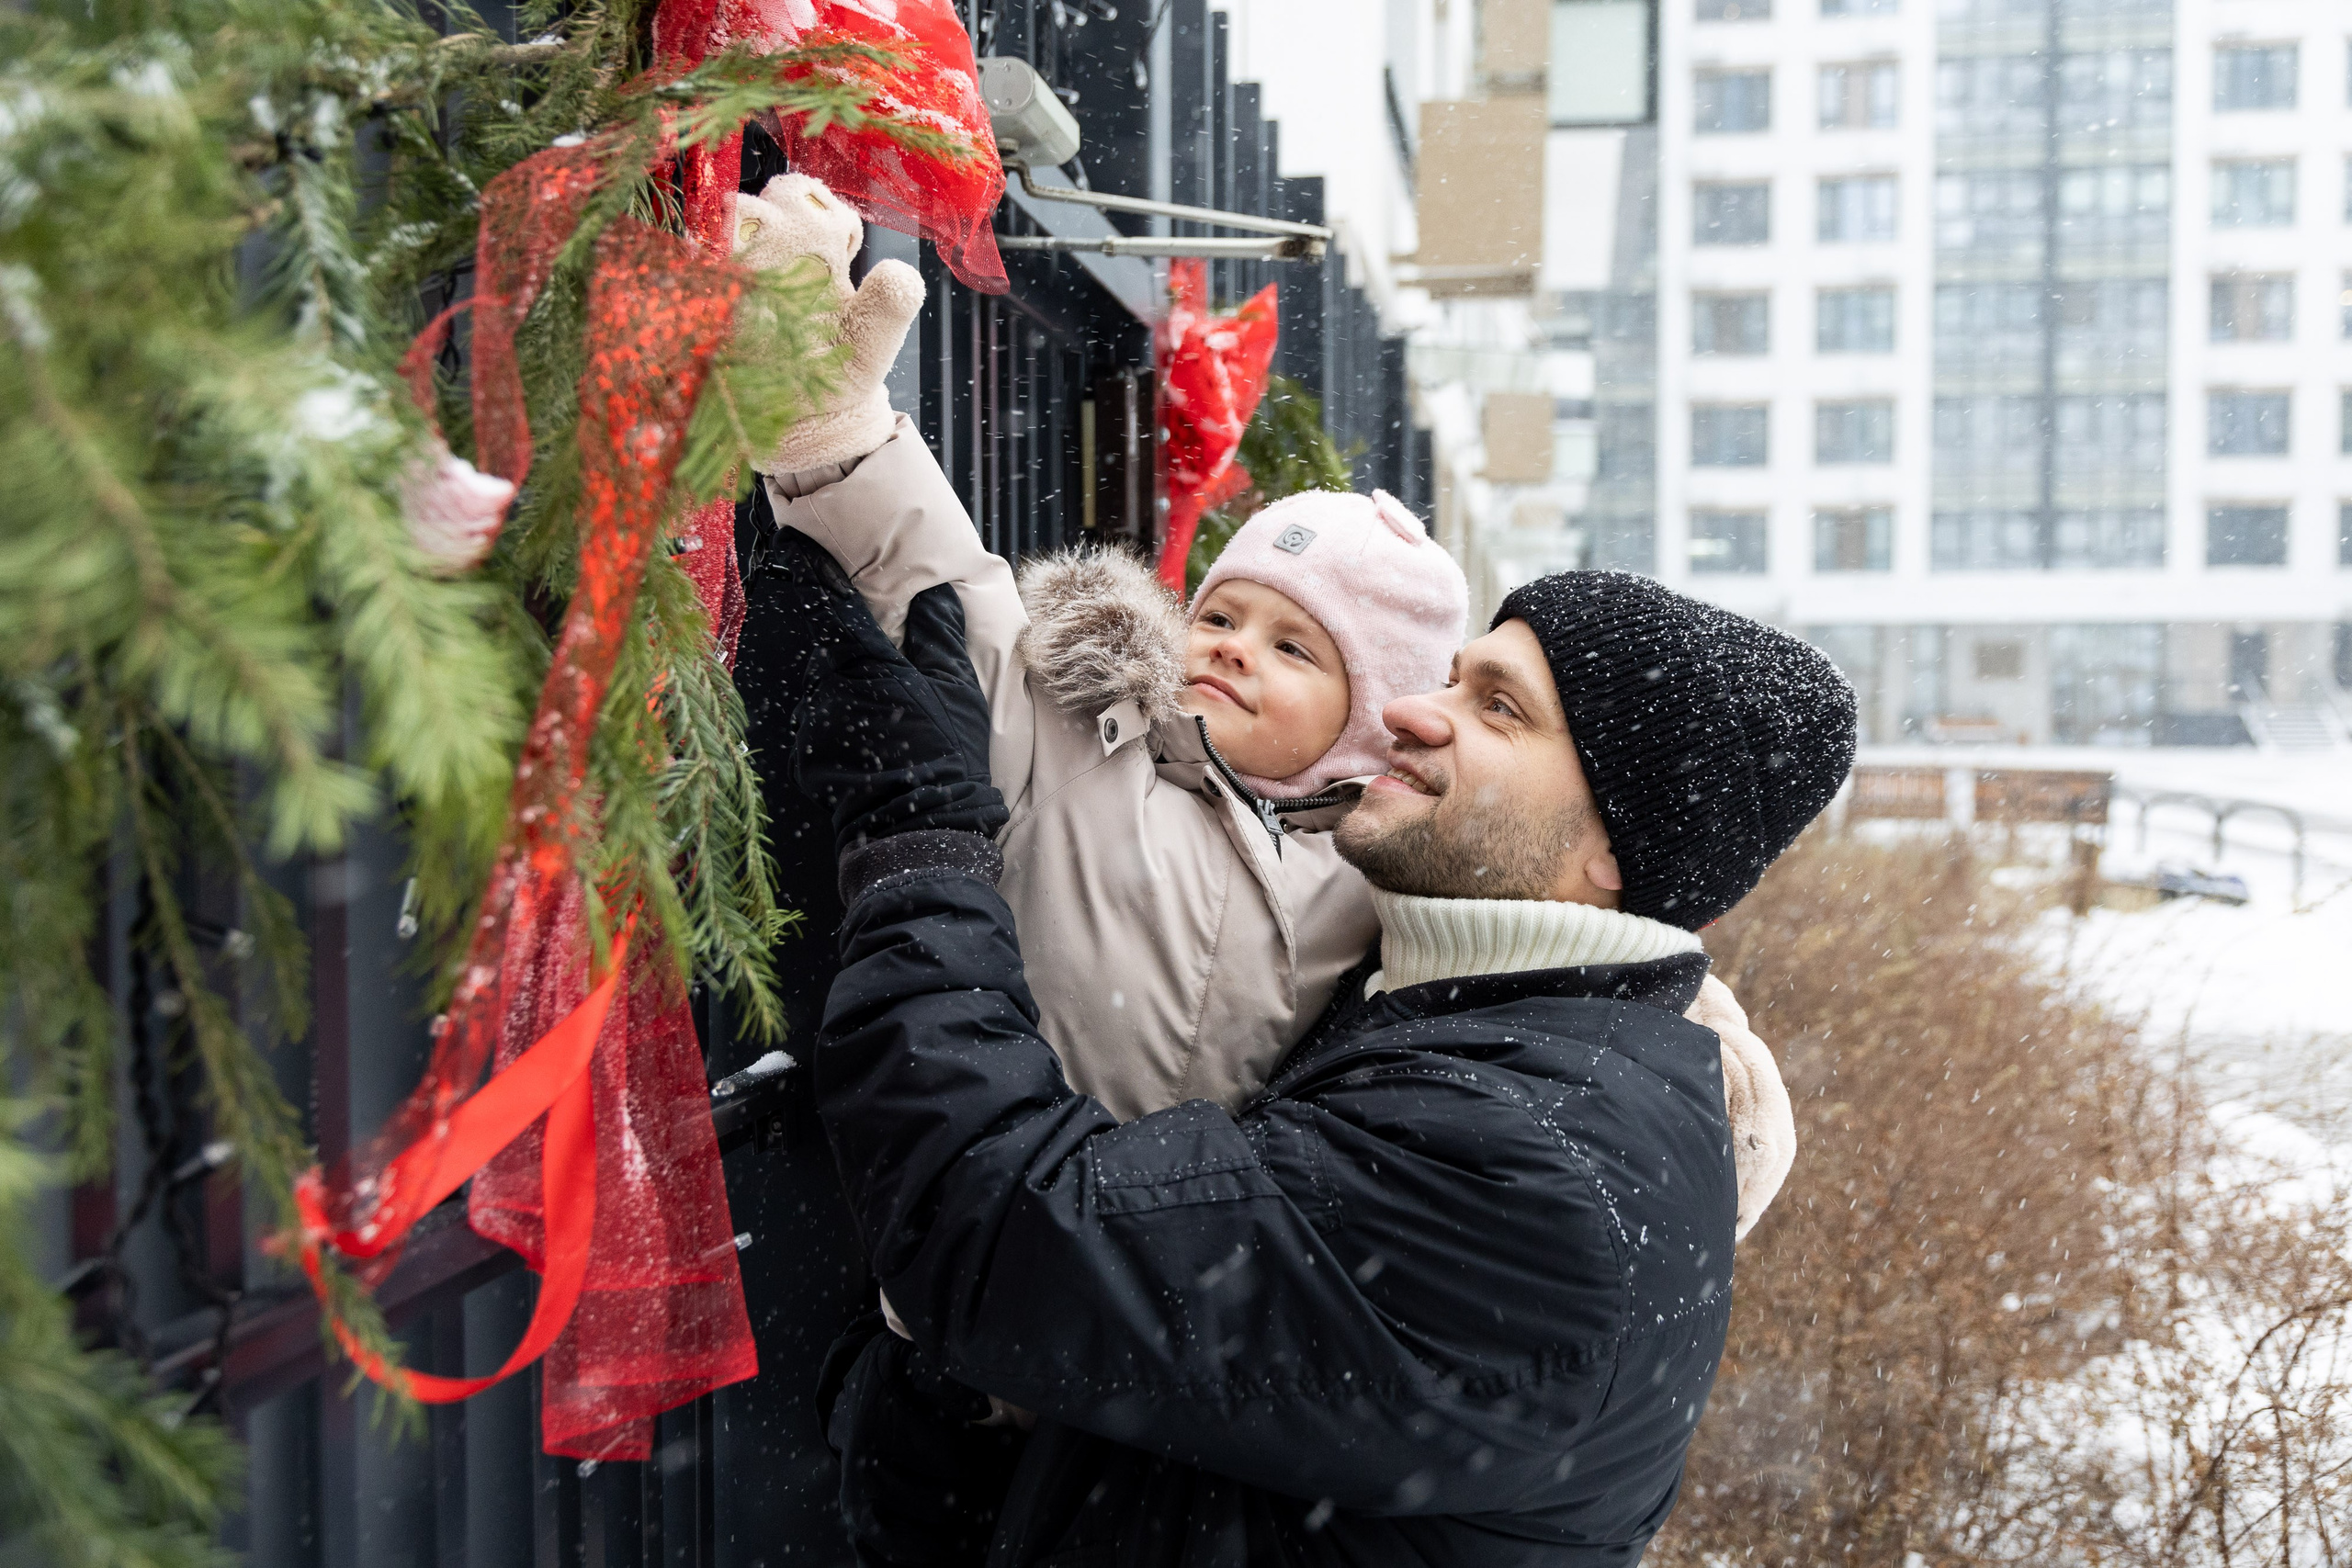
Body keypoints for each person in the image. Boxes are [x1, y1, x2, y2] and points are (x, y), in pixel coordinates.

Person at [730, 172, 1793, 1228]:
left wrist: (1710, 1063)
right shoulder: (1088, 730)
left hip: (1136, 1262)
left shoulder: (1384, 880)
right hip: (989, 1211)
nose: (1237, 652)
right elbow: (952, 595)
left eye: (1297, 649)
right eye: (1225, 616)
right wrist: (838, 432)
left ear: (1375, 711)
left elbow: (1555, 954)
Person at [770, 541, 1858, 1565]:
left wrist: (920, 836)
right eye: (1455, 675)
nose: (1407, 712)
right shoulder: (1465, 1030)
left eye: (1499, 709)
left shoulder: (1531, 1169)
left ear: (1614, 849)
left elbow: (1001, 1231)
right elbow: (1178, 1422)